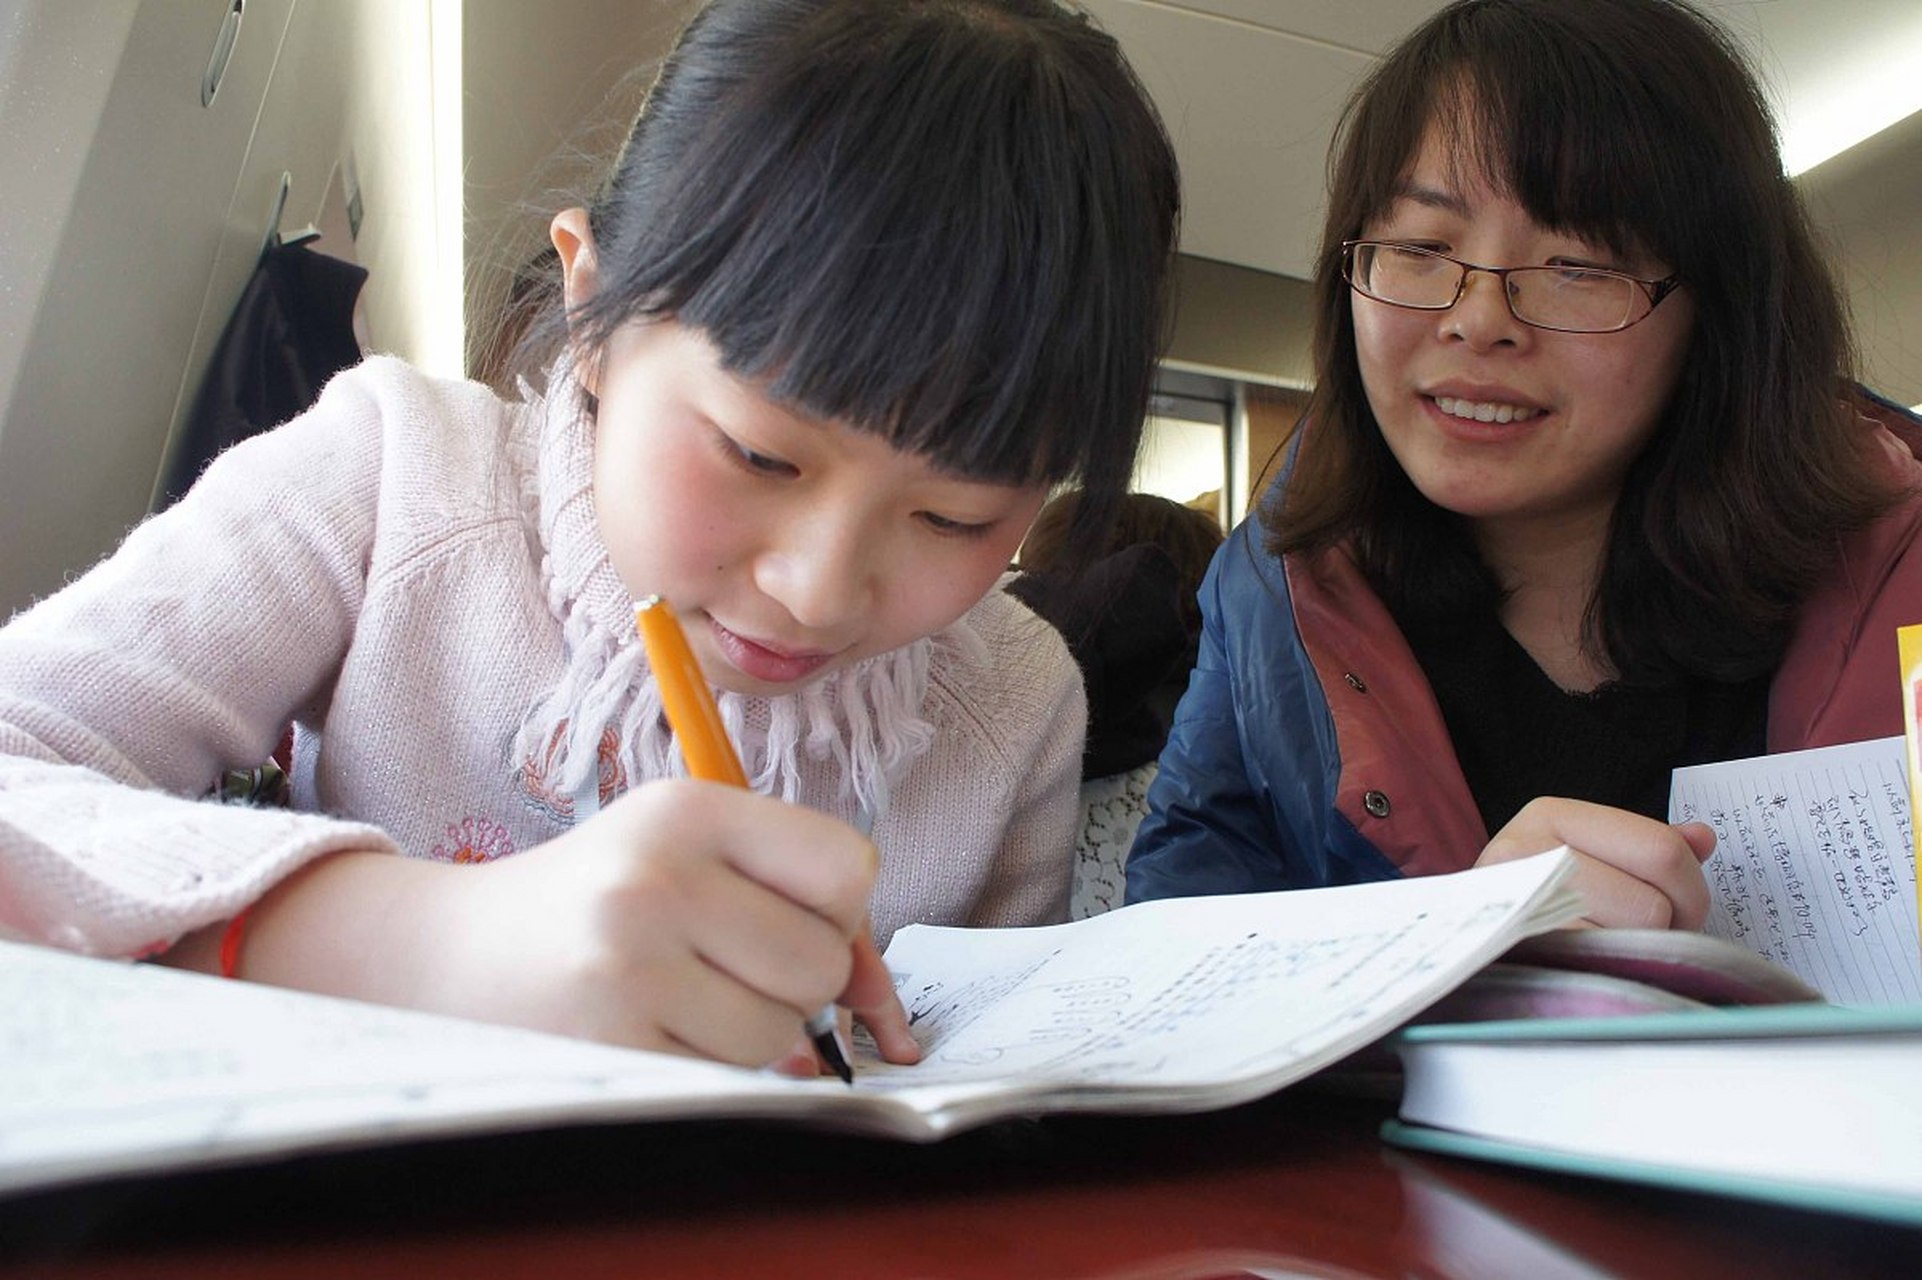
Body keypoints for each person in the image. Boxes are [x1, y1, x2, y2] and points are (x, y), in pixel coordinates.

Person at [0, 0, 1179, 1074]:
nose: (817, 591)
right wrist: (422, 940)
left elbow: (983, 1089)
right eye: (760, 455)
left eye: (954, 516)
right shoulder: (389, 477)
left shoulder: (1017, 700)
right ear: (593, 311)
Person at [1126, 0, 1922, 931]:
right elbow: (1173, 943)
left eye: (1576, 263)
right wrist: (1447, 958)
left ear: (1721, 313)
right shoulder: (1274, 588)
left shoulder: (1892, 568)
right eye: (1423, 247)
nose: (1477, 319)